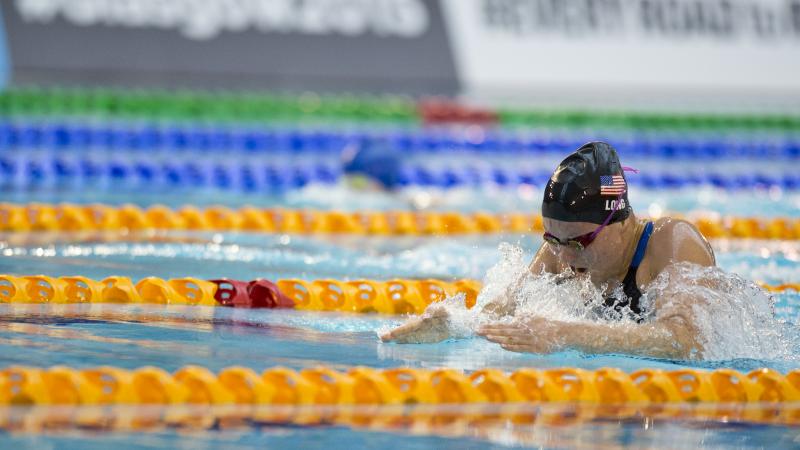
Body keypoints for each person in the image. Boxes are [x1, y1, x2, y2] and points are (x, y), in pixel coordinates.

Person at [380, 141, 717, 360]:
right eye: (552, 240)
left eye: (578, 242)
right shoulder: (559, 249)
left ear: (618, 220)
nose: (564, 256)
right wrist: (455, 325)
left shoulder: (672, 244)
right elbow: (504, 311)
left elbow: (688, 341)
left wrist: (568, 334)